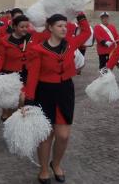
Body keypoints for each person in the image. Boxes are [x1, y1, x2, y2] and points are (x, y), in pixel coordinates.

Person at [23, 13, 91, 184]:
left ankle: (56, 163)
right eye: (59, 26)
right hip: (44, 93)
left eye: (65, 26)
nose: (63, 28)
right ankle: (44, 168)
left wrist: (80, 14)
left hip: (65, 91)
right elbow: (32, 76)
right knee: (46, 135)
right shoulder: (38, 49)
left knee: (63, 135)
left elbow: (86, 33)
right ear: (50, 28)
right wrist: (29, 101)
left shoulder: (70, 43)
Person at [0, 14, 33, 121]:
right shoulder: (5, 40)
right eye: (22, 27)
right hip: (9, 75)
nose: (25, 29)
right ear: (14, 27)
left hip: (25, 74)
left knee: (22, 99)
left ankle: (17, 121)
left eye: (26, 27)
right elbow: (0, 58)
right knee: (7, 107)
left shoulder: (30, 38)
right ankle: (7, 119)